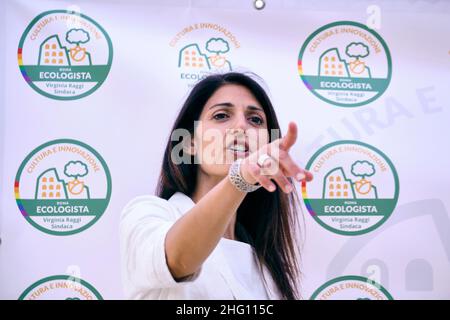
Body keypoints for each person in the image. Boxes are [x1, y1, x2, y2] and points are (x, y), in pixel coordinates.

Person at [120, 72, 313, 300]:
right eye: (221, 116)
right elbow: (178, 259)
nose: (242, 126)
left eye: (256, 120)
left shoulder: (266, 263)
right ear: (189, 143)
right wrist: (240, 176)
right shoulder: (148, 214)